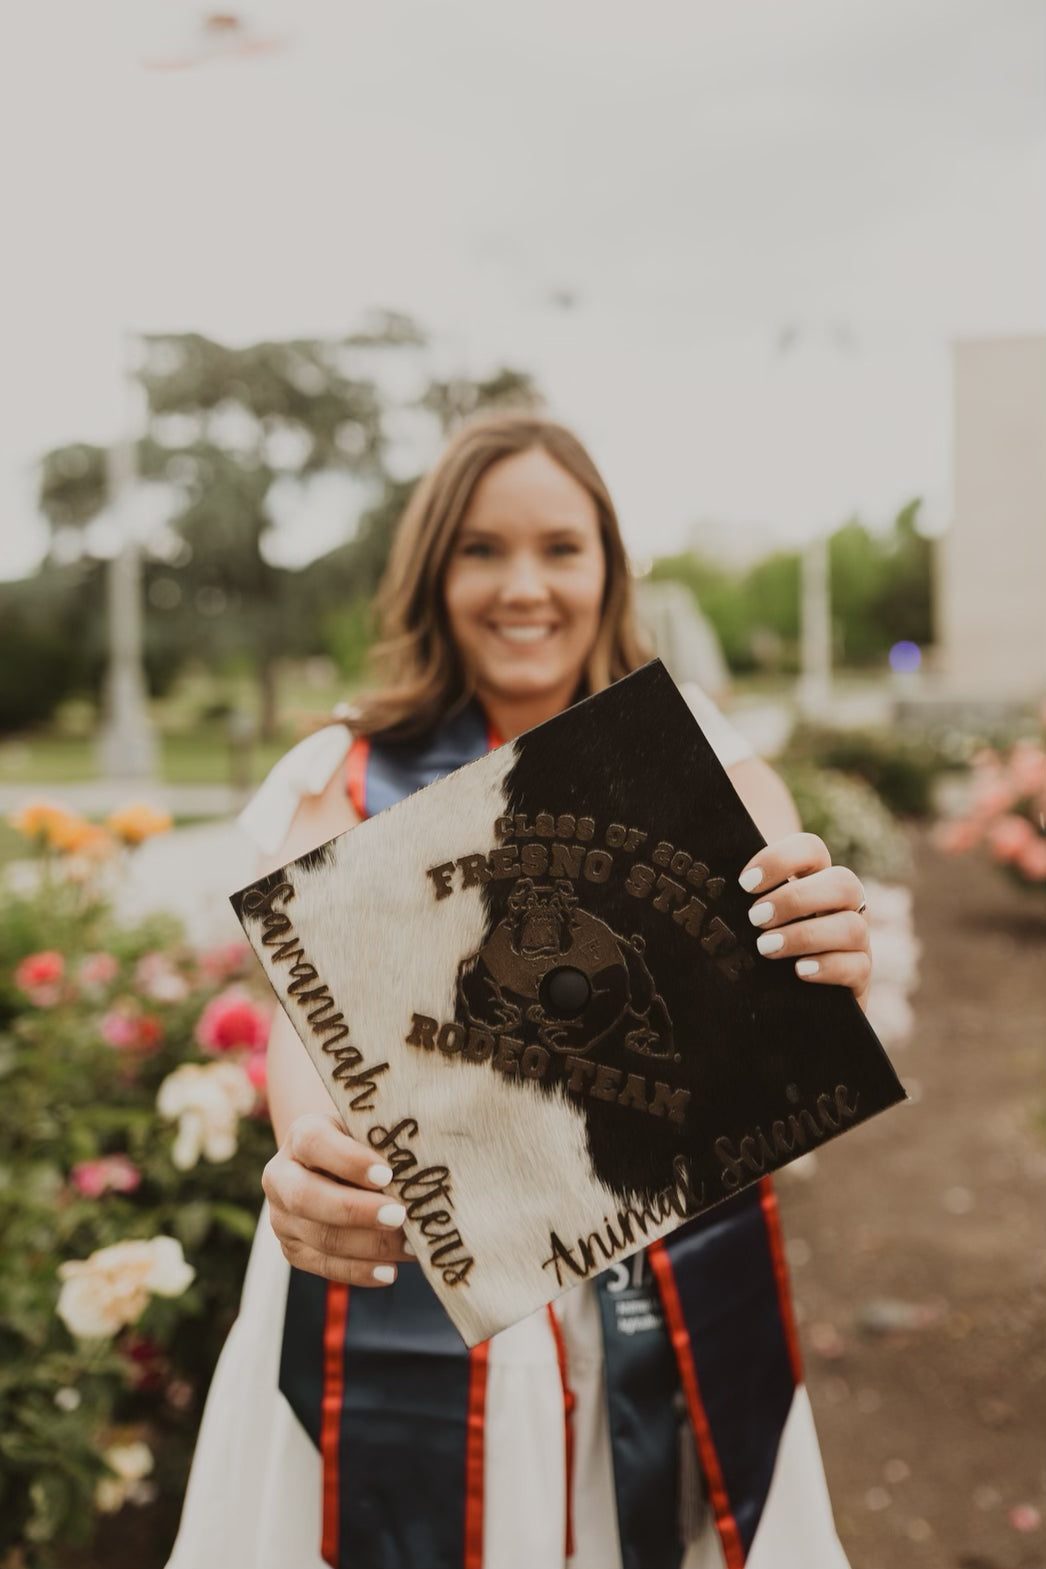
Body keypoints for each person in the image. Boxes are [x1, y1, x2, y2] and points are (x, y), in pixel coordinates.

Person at [165, 414, 870, 1569]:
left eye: (560, 546)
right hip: (420, 1271)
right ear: (432, 572)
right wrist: (304, 1151)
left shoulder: (699, 753)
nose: (523, 586)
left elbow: (781, 967)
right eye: (481, 550)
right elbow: (307, 1031)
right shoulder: (342, 772)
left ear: (609, 566)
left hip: (659, 1269)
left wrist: (825, 944)